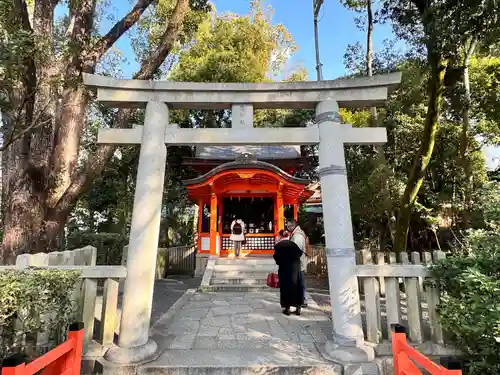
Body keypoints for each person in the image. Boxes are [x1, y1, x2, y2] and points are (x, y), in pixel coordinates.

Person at [273, 238, 304, 315]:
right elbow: (300, 253)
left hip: (284, 269)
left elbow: (276, 258)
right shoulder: (294, 245)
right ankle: (298, 307)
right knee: (297, 286)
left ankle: (287, 308)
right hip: (295, 268)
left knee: (285, 287)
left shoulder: (278, 246)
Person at [287, 219, 309, 308]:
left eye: (289, 226)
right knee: (300, 281)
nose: (287, 228)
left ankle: (302, 299)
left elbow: (296, 251)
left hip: (298, 262)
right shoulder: (296, 234)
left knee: (300, 282)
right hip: (298, 262)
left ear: (293, 226)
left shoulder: (297, 236)